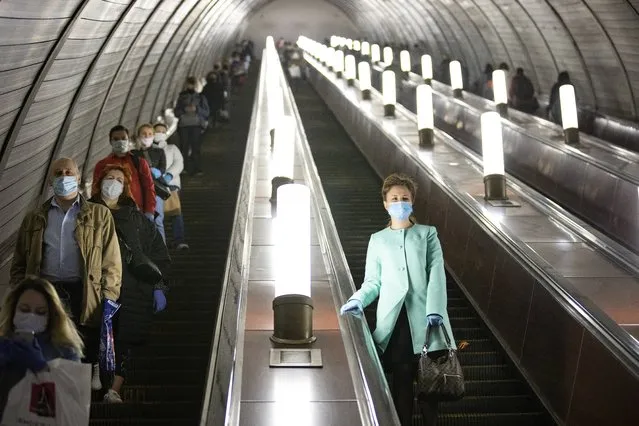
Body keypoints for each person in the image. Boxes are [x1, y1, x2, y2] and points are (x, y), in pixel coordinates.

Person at [340, 173, 454, 426]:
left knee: (429, 388)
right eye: (394, 198)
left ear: (412, 202)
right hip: (395, 322)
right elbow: (373, 281)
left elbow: (437, 274)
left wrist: (435, 310)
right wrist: (358, 299)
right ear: (385, 203)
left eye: (404, 198)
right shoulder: (377, 240)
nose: (399, 202)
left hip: (427, 320)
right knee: (401, 384)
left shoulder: (427, 234)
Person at [10, 157, 121, 391]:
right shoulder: (35, 217)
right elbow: (20, 260)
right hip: (46, 289)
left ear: (79, 177)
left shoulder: (99, 215)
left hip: (83, 288)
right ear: (51, 180)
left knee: (83, 342)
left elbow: (111, 261)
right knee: (49, 346)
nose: (63, 177)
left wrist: (108, 295)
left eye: (68, 172)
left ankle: (84, 387)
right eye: (58, 173)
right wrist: (21, 290)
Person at [90, 164, 170, 403]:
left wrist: (160, 287)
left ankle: (114, 388)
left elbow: (158, 252)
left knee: (123, 338)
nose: (113, 183)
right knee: (94, 333)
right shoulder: (85, 212)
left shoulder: (137, 219)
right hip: (95, 286)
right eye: (109, 178)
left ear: (125, 187)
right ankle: (93, 375)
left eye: (119, 180)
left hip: (132, 287)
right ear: (99, 181)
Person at [0, 277, 85, 413]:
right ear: (13, 310)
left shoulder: (66, 351)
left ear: (51, 315)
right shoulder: (4, 346)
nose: (31, 316)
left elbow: (73, 406)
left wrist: (41, 368)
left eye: (40, 312)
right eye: (24, 309)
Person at [93, 125, 156, 221]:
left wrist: (149, 211)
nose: (120, 141)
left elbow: (149, 187)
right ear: (110, 141)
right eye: (116, 139)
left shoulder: (139, 162)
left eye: (123, 138)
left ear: (128, 139)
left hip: (136, 212)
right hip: (110, 214)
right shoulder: (102, 165)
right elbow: (95, 189)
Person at [153, 123, 189, 250]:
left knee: (175, 212)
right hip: (154, 187)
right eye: (157, 131)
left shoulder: (172, 148)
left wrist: (168, 175)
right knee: (156, 215)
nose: (160, 133)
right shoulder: (148, 150)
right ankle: (159, 242)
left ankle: (179, 240)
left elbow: (179, 163)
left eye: (163, 131)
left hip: (171, 185)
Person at [133, 123, 168, 242]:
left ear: (153, 136)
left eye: (149, 134)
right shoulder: (133, 154)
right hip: (140, 192)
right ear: (138, 136)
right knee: (142, 221)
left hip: (156, 190)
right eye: (144, 134)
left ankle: (162, 251)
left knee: (158, 220)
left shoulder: (159, 152)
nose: (147, 136)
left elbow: (163, 169)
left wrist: (154, 172)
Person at [175, 76, 210, 176]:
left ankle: (197, 168)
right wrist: (184, 110)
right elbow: (176, 112)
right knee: (184, 148)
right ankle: (184, 168)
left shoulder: (201, 98)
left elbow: (206, 112)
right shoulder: (181, 98)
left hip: (196, 125)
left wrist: (197, 109)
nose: (190, 86)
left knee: (195, 148)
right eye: (189, 83)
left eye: (192, 84)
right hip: (184, 126)